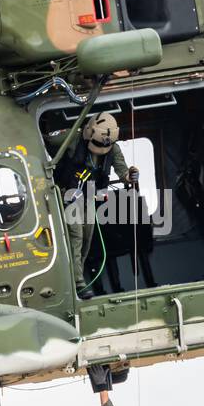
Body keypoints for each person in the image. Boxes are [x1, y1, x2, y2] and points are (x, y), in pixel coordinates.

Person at [48, 112, 138, 296]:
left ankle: (74, 276)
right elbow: (45, 142)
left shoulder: (113, 149)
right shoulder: (73, 138)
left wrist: (131, 176)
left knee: (87, 240)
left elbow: (123, 173)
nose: (100, 148)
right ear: (88, 132)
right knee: (76, 236)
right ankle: (78, 283)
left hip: (89, 197)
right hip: (69, 194)